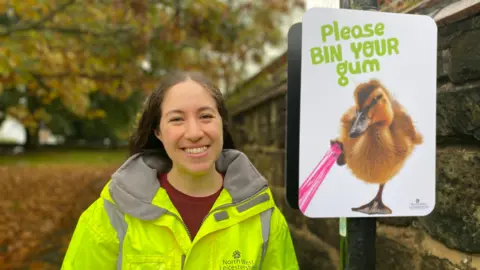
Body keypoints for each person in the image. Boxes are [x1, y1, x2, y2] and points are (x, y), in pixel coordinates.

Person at [61, 70, 299, 269]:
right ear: (158, 132)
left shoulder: (265, 218)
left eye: (205, 116)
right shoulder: (110, 216)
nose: (194, 133)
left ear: (222, 125)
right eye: (177, 119)